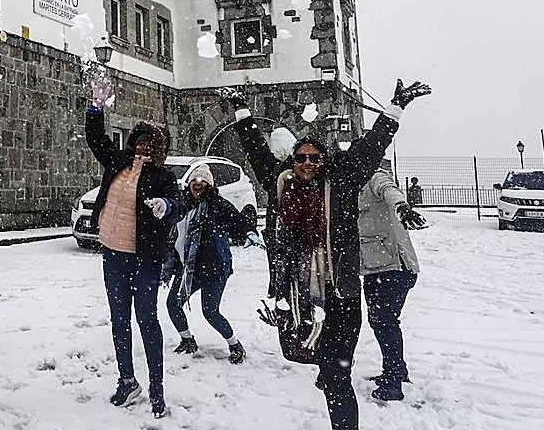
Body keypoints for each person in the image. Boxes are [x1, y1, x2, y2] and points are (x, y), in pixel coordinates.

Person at [229, 79, 431, 430]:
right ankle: (329, 368)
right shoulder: (279, 183)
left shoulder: (341, 181)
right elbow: (254, 148)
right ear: (293, 160)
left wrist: (396, 108)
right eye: (301, 157)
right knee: (312, 361)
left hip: (340, 296)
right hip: (298, 296)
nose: (307, 163)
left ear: (324, 161)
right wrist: (241, 111)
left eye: (314, 158)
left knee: (338, 379)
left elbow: (371, 147)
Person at [85, 72, 180, 419]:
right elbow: (96, 138)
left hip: (145, 259)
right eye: (140, 142)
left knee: (147, 320)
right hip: (113, 254)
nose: (144, 148)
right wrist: (96, 107)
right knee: (118, 320)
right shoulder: (119, 163)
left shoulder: (163, 177)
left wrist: (166, 207)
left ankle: (157, 387)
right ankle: (127, 380)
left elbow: (178, 204)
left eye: (151, 145)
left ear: (159, 151)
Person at [163, 163, 255, 363]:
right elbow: (170, 228)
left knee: (210, 312)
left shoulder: (218, 205)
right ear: (189, 184)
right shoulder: (182, 205)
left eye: (203, 181)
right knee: (172, 304)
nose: (198, 184)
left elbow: (238, 222)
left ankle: (235, 345)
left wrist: (249, 233)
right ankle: (188, 340)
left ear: (209, 185)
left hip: (214, 269)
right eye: (195, 180)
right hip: (188, 269)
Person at [358, 158, 426, 402]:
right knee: (383, 321)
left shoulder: (375, 177)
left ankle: (393, 381)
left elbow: (390, 190)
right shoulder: (352, 182)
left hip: (395, 268)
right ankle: (397, 369)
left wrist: (402, 207)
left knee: (384, 321)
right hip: (376, 268)